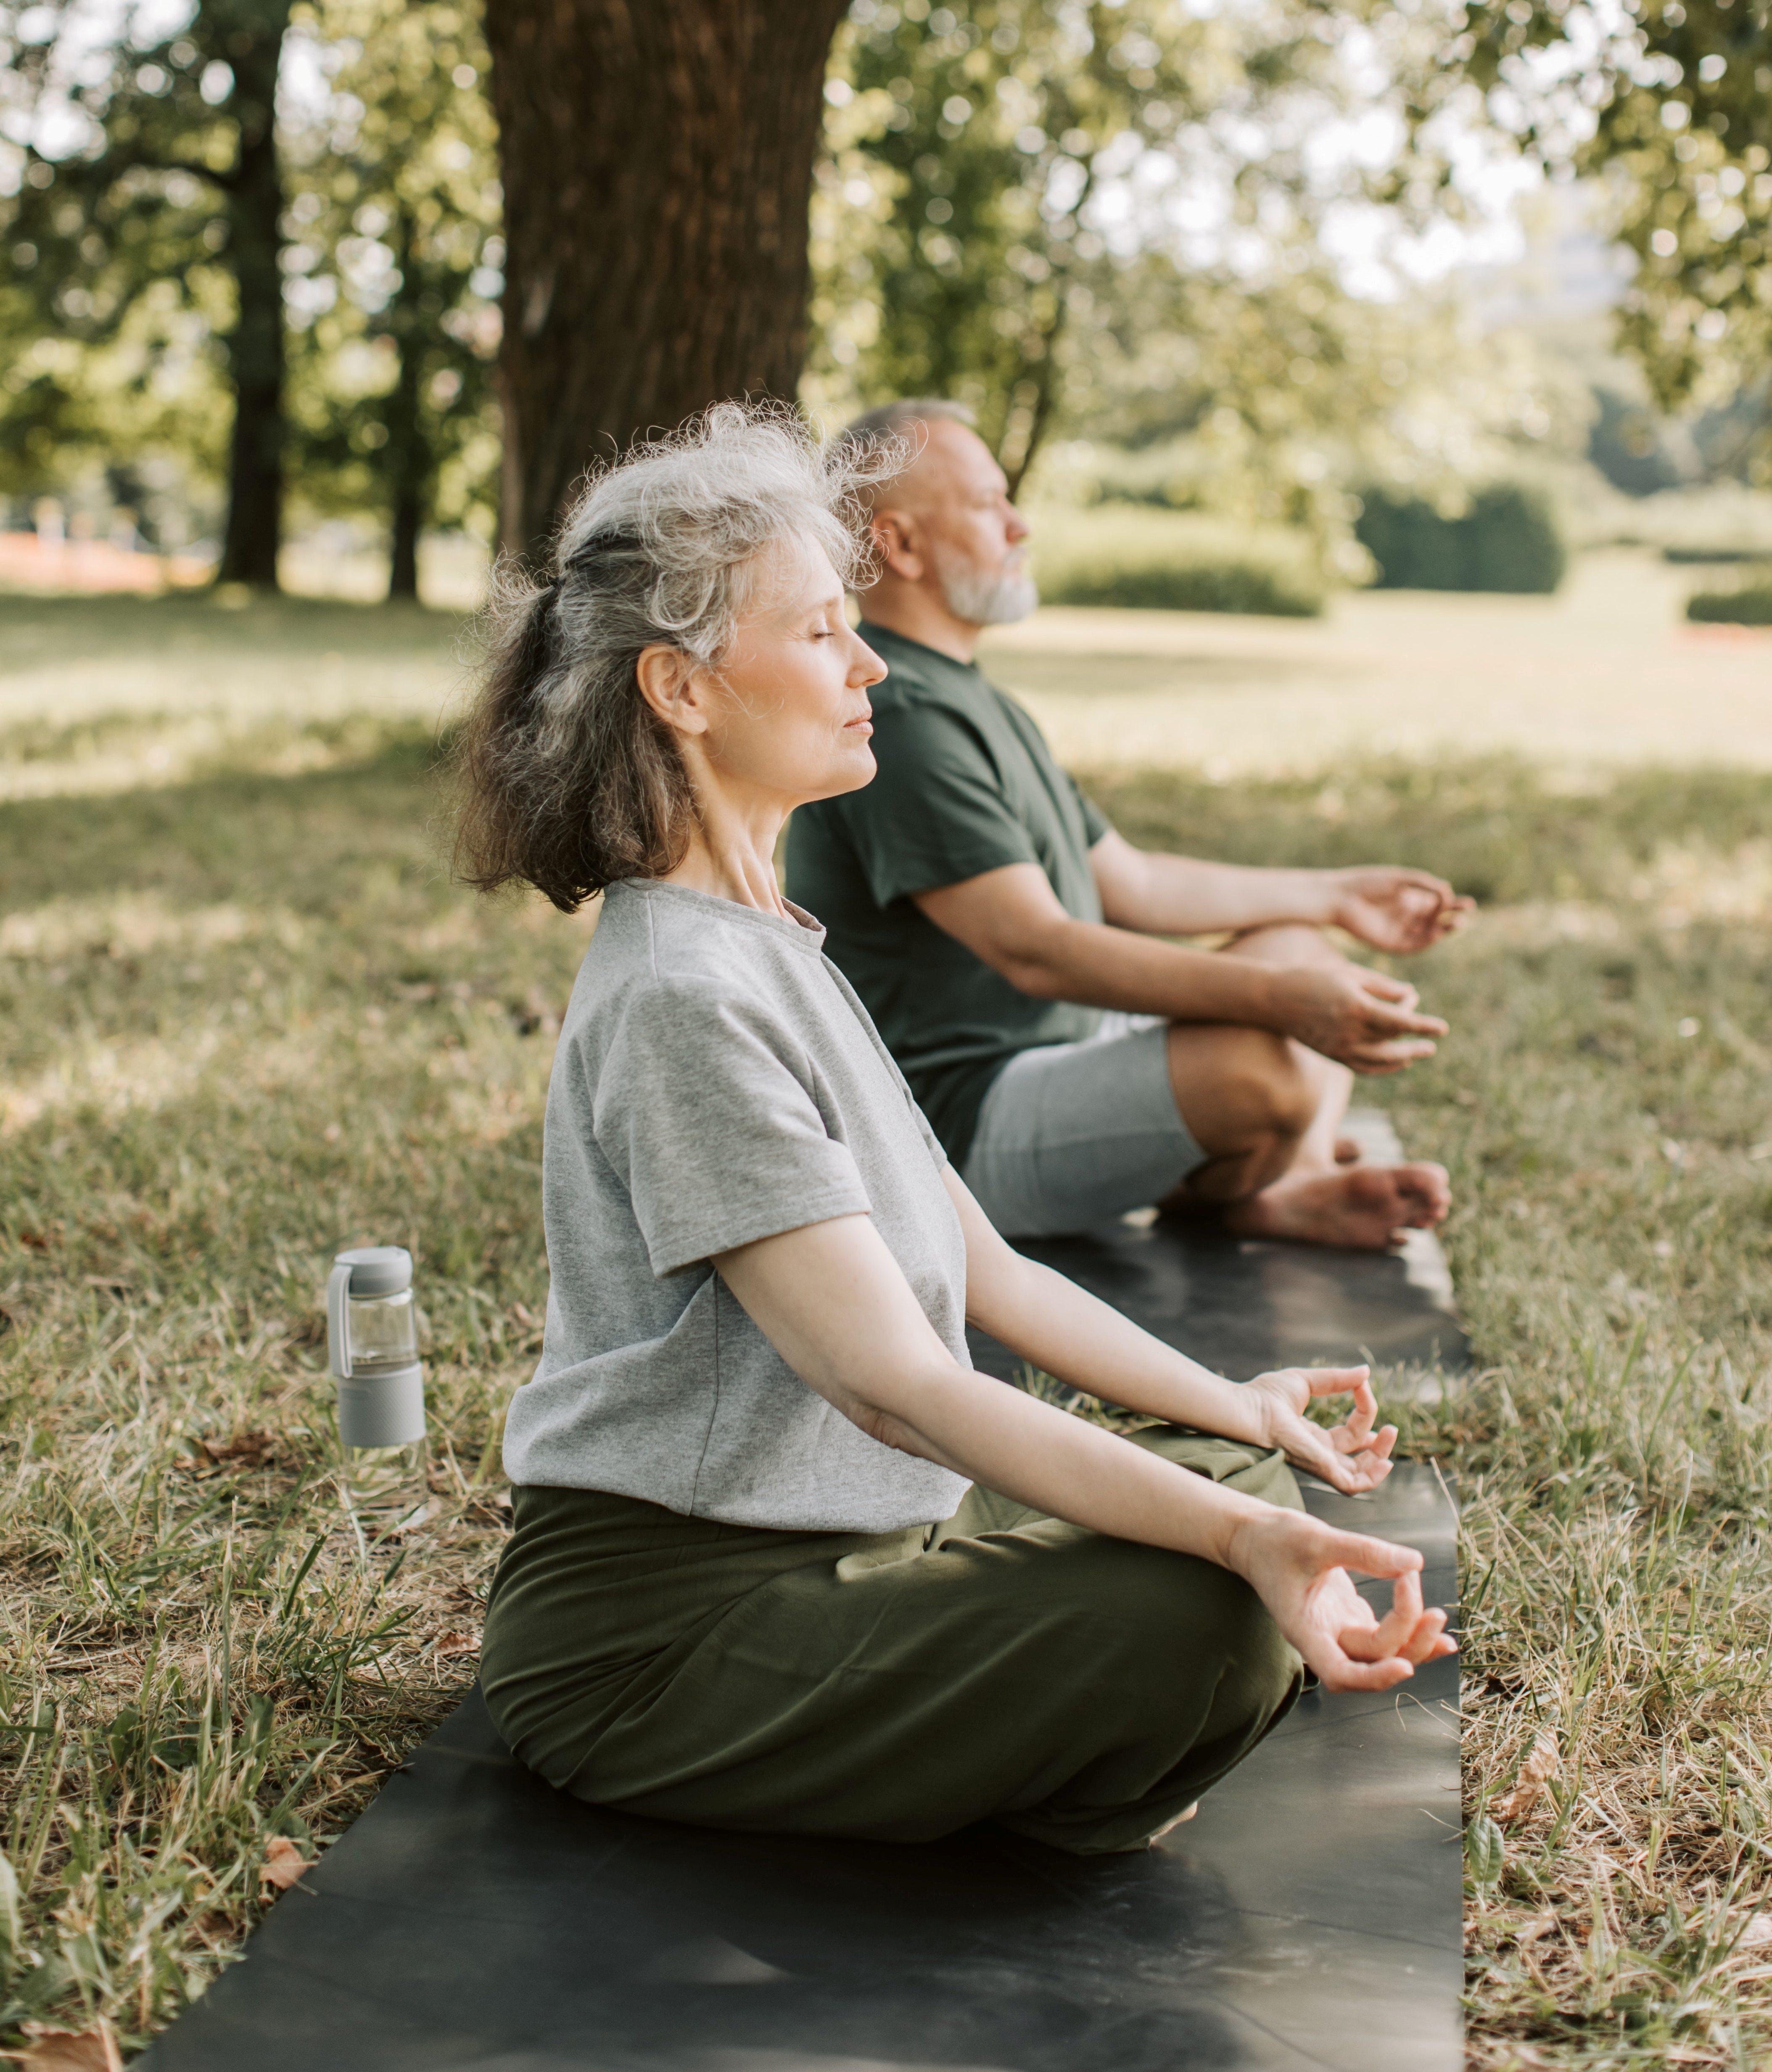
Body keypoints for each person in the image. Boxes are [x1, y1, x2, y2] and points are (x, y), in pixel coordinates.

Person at [454, 403, 1452, 1858]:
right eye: (817, 634)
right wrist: (1239, 1544)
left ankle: (1039, 1697)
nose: (867, 665)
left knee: (1232, 1475)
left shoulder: (770, 942)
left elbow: (995, 1273)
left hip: (865, 1536)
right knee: (1207, 1606)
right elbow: (894, 1384)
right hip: (665, 1633)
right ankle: (1047, 1733)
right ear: (678, 686)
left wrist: (1240, 1408)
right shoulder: (682, 993)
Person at [784, 400, 1475, 1248]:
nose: (1018, 524)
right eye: (986, 504)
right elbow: (1034, 949)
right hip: (955, 1128)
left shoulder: (972, 698)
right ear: (901, 544)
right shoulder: (904, 717)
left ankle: (1277, 1188)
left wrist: (1334, 896)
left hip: (1064, 1053)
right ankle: (1263, 1177)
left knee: (1300, 947)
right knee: (1267, 1063)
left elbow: (1134, 883)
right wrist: (1278, 1002)